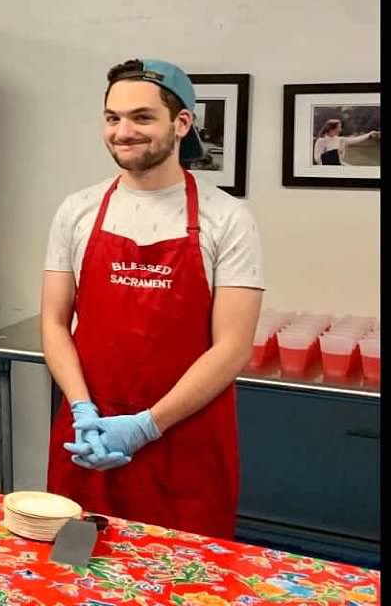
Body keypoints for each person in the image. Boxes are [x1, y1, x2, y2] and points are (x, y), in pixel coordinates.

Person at [42, 58, 264, 540]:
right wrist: (82, 410)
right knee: (78, 566)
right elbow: (55, 323)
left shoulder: (227, 218)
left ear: (181, 123)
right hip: (90, 441)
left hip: (184, 446)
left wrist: (145, 426)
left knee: (183, 581)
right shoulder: (77, 210)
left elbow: (232, 348)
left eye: (142, 117)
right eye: (112, 118)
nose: (123, 131)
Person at [312, 118, 380, 165]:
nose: (340, 130)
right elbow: (317, 159)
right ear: (331, 129)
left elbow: (356, 140)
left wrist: (369, 134)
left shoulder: (340, 140)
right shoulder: (321, 141)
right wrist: (334, 154)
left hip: (340, 165)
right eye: (338, 127)